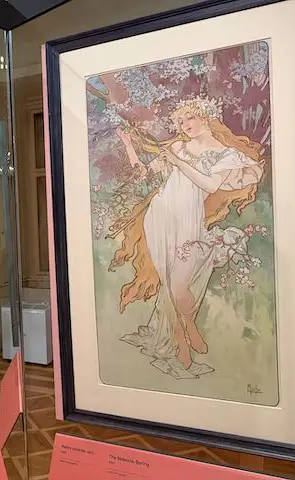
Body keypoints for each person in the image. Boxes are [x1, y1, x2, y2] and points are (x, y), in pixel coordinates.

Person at [111, 97, 263, 378]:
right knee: (168, 284)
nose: (184, 125)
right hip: (160, 216)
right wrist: (129, 145)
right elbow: (144, 174)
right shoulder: (177, 147)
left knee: (179, 286)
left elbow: (210, 185)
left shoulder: (224, 154)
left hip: (189, 223)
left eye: (189, 118)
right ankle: (180, 337)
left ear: (205, 116)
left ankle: (189, 324)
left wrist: (179, 163)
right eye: (180, 121)